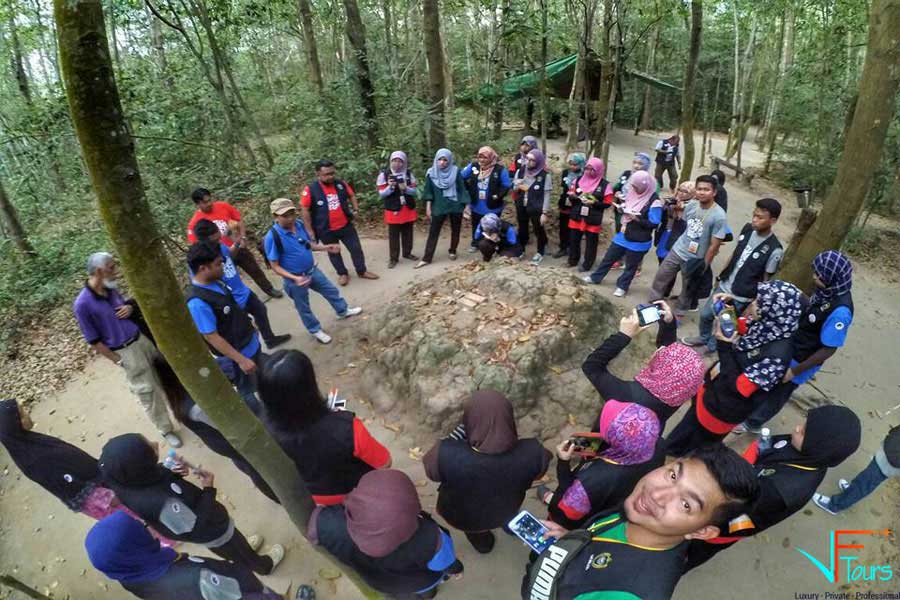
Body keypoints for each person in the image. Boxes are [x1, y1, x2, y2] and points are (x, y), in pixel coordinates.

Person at [521, 443, 760, 600]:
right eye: (673, 474)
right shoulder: (635, 512)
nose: (656, 494)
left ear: (702, 531)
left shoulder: (633, 593)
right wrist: (569, 539)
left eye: (686, 504)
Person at [687, 405, 861, 571]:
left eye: (805, 431)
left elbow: (745, 520)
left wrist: (710, 524)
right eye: (805, 423)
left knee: (691, 551)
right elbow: (766, 446)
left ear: (819, 448)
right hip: (738, 485)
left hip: (719, 526)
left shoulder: (781, 491)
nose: (798, 428)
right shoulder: (805, 451)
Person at [99, 433, 284, 575]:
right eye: (150, 450)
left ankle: (244, 550)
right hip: (211, 531)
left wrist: (174, 473)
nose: (156, 444)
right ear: (140, 465)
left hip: (203, 517)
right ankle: (262, 565)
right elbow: (196, 526)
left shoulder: (130, 480)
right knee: (233, 547)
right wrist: (208, 489)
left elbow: (159, 481)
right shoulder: (161, 504)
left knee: (236, 541)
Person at [0, 399, 172, 548]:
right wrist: (105, 498)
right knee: (132, 517)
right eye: (22, 415)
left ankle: (163, 532)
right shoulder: (34, 459)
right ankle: (163, 541)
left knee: (135, 509)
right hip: (96, 496)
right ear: (14, 426)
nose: (27, 414)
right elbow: (67, 485)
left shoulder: (32, 441)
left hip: (97, 480)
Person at [665, 280, 803, 457]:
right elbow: (738, 327)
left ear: (770, 310)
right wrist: (729, 307)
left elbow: (738, 388)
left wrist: (723, 345)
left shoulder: (775, 359)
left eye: (758, 302)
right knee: (685, 432)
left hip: (719, 412)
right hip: (710, 394)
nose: (753, 303)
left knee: (690, 446)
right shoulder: (769, 327)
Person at [738, 250, 854, 434]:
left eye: (819, 275)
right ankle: (746, 410)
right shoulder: (827, 291)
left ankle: (753, 423)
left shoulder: (840, 312)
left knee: (778, 392)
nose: (814, 277)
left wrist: (795, 371)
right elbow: (812, 308)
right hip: (792, 345)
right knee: (766, 380)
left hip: (802, 359)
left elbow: (828, 349)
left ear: (831, 277)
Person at [256, 349, 392, 506]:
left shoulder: (262, 431)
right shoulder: (346, 427)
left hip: (312, 496)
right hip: (355, 490)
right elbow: (385, 463)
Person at [422, 390, 551, 553]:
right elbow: (537, 473)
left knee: (476, 532)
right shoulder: (534, 453)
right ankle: (510, 527)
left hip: (462, 513)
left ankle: (484, 546)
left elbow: (433, 474)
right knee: (507, 515)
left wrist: (459, 435)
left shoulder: (445, 453)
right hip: (506, 506)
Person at [73, 252, 180, 448]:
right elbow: (94, 340)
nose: (116, 272)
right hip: (125, 352)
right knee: (148, 392)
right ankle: (166, 429)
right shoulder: (82, 305)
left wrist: (129, 309)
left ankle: (184, 412)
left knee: (169, 375)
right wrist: (118, 360)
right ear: (99, 271)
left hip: (142, 339)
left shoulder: (111, 289)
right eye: (112, 268)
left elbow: (124, 308)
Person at [309, 469, 464, 599]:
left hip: (381, 582)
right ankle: (430, 594)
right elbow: (445, 562)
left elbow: (315, 527)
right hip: (420, 581)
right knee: (426, 589)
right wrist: (457, 569)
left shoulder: (330, 526)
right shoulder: (431, 537)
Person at [85, 512, 310, 600]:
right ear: (133, 549)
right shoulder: (196, 578)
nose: (146, 529)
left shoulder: (134, 575)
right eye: (140, 530)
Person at [154, 359, 279, 504]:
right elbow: (228, 423)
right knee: (255, 467)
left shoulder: (179, 393)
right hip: (228, 438)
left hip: (219, 438)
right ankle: (276, 494)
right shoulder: (195, 405)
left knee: (245, 463)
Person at [540, 400, 664, 530]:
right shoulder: (657, 444)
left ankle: (550, 498)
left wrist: (563, 462)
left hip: (575, 519)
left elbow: (563, 513)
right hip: (612, 503)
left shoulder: (591, 481)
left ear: (613, 440)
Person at [682, 198, 783, 354]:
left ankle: (711, 347)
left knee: (725, 323)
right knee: (706, 314)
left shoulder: (774, 250)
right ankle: (703, 337)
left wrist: (753, 303)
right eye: (754, 215)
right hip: (724, 285)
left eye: (760, 218)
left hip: (741, 296)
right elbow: (735, 254)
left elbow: (766, 280)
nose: (755, 220)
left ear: (773, 220)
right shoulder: (747, 229)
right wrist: (720, 276)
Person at [582, 305, 706, 426]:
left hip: (605, 437)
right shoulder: (675, 395)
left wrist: (622, 336)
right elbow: (674, 361)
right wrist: (668, 323)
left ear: (664, 372)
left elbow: (591, 366)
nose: (659, 351)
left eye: (661, 355)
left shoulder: (625, 395)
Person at [264, 198, 363, 345]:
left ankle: (342, 310)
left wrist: (326, 247)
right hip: (294, 280)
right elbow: (275, 266)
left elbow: (307, 244)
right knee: (303, 307)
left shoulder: (298, 225)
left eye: (292, 213)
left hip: (311, 271)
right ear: (275, 216)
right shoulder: (273, 237)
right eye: (285, 215)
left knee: (330, 290)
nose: (290, 218)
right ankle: (315, 329)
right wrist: (294, 278)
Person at [186, 242, 266, 409]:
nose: (222, 266)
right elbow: (211, 336)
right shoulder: (198, 302)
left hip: (250, 342)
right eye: (217, 264)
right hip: (238, 356)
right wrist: (241, 360)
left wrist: (248, 323)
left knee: (263, 378)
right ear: (203, 268)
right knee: (247, 392)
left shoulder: (217, 282)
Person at [192, 219, 291, 350]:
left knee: (260, 310)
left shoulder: (219, 246)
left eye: (218, 238)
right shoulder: (201, 261)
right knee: (248, 332)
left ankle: (269, 339)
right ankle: (255, 355)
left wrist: (237, 242)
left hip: (242, 291)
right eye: (215, 240)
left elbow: (229, 254)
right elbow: (204, 284)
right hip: (231, 300)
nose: (218, 241)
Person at [648, 174, 729, 312]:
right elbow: (685, 226)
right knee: (661, 276)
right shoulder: (691, 205)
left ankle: (679, 313)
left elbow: (714, 245)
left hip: (696, 257)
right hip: (678, 249)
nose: (702, 192)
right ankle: (654, 303)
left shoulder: (719, 216)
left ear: (714, 192)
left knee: (687, 288)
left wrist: (704, 265)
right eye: (699, 189)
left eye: (706, 189)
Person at [186, 187, 282, 299]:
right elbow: (196, 245)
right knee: (229, 279)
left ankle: (269, 289)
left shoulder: (223, 206)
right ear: (197, 204)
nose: (209, 203)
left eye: (210, 199)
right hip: (220, 256)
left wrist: (243, 237)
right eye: (205, 202)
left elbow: (238, 220)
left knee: (254, 269)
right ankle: (238, 300)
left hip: (238, 246)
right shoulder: (195, 223)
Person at [582, 171, 663, 297]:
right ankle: (595, 277)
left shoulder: (654, 202)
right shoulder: (632, 192)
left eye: (637, 186)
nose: (634, 188)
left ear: (645, 186)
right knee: (608, 258)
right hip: (623, 234)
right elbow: (628, 205)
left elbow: (654, 223)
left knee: (631, 266)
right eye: (633, 185)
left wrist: (637, 219)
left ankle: (622, 286)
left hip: (639, 240)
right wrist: (621, 207)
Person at [300, 159, 379, 286]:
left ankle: (362, 271)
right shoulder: (310, 189)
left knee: (356, 249)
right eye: (326, 174)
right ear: (318, 174)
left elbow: (352, 195)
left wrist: (356, 209)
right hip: (325, 229)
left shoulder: (340, 184)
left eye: (332, 173)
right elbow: (305, 209)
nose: (330, 176)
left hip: (345, 225)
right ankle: (342, 273)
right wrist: (309, 230)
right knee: (334, 252)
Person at [814, 424, 899, 515]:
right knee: (866, 476)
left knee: (865, 482)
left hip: (893, 459)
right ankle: (850, 491)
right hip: (892, 449)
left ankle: (835, 505)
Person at [416, 148, 471, 268]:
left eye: (445, 160)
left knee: (456, 230)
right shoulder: (431, 173)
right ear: (436, 160)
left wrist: (466, 205)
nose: (442, 162)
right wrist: (428, 207)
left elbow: (462, 189)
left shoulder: (456, 172)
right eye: (440, 159)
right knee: (433, 232)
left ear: (450, 160)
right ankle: (427, 257)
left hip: (455, 205)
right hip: (439, 206)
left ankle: (452, 250)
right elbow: (428, 191)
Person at [566, 157, 613, 272]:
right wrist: (572, 196)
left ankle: (587, 264)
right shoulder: (578, 180)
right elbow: (571, 193)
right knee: (573, 239)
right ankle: (572, 260)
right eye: (587, 169)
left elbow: (607, 203)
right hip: (577, 214)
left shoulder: (605, 185)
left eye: (592, 170)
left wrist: (595, 202)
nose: (589, 172)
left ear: (599, 170)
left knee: (591, 242)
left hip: (593, 216)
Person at [462, 146, 511, 252]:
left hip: (493, 204)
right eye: (480, 157)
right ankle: (475, 243)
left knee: (493, 226)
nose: (482, 160)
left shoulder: (499, 169)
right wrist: (467, 190)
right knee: (476, 224)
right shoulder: (474, 166)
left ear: (491, 157)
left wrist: (498, 196)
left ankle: (493, 245)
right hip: (476, 203)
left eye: (485, 157)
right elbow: (461, 177)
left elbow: (506, 184)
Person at [377, 150, 419, 268]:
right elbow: (381, 194)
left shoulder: (409, 174)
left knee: (408, 232)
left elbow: (415, 191)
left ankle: (407, 253)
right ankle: (393, 258)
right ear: (390, 161)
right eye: (394, 161)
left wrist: (405, 188)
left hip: (407, 208)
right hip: (393, 209)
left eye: (400, 161)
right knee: (394, 235)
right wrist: (390, 187)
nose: (397, 164)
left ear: (404, 162)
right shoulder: (384, 175)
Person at [511, 148, 552, 264]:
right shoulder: (521, 171)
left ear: (538, 161)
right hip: (521, 205)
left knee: (538, 229)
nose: (528, 162)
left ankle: (540, 251)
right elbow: (514, 188)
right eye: (527, 159)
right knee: (522, 228)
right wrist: (516, 185)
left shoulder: (545, 176)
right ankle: (521, 250)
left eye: (532, 160)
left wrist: (544, 212)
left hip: (536, 207)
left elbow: (547, 194)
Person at [611, 152, 652, 234]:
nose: (636, 166)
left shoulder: (649, 180)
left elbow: (651, 198)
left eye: (640, 164)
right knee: (619, 229)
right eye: (634, 163)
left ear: (646, 165)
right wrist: (617, 193)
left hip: (635, 213)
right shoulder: (626, 174)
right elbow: (617, 187)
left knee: (629, 232)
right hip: (621, 208)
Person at [554, 153, 586, 258]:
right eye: (571, 164)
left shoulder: (584, 176)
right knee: (563, 227)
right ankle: (563, 247)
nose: (572, 167)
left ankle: (572, 249)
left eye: (575, 165)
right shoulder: (565, 173)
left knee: (574, 229)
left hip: (577, 205)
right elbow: (563, 188)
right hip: (565, 203)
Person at [654, 181, 692, 268]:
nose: (681, 193)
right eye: (680, 190)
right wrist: (664, 205)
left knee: (670, 264)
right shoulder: (672, 200)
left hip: (679, 237)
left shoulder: (693, 206)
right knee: (661, 257)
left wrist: (680, 210)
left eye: (686, 192)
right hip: (666, 232)